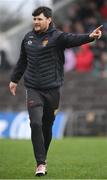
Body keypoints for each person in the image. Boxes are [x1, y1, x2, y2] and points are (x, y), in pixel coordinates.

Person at [9, 6, 102, 176]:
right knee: (35, 123)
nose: (36, 22)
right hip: (33, 87)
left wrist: (90, 37)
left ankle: (43, 156)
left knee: (47, 125)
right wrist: (14, 80)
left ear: (48, 20)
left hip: (52, 89)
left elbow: (73, 39)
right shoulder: (28, 37)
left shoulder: (57, 37)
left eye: (39, 19)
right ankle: (41, 163)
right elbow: (22, 60)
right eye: (34, 19)